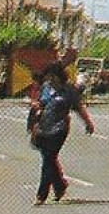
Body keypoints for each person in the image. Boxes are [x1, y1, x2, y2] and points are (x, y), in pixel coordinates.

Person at [28, 61, 94, 205]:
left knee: (48, 160)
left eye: (53, 76)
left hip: (60, 128)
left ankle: (41, 195)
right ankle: (60, 186)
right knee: (49, 159)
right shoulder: (46, 88)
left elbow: (79, 108)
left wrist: (88, 123)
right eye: (48, 77)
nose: (50, 80)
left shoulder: (69, 90)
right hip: (44, 127)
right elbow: (39, 104)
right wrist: (34, 116)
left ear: (59, 76)